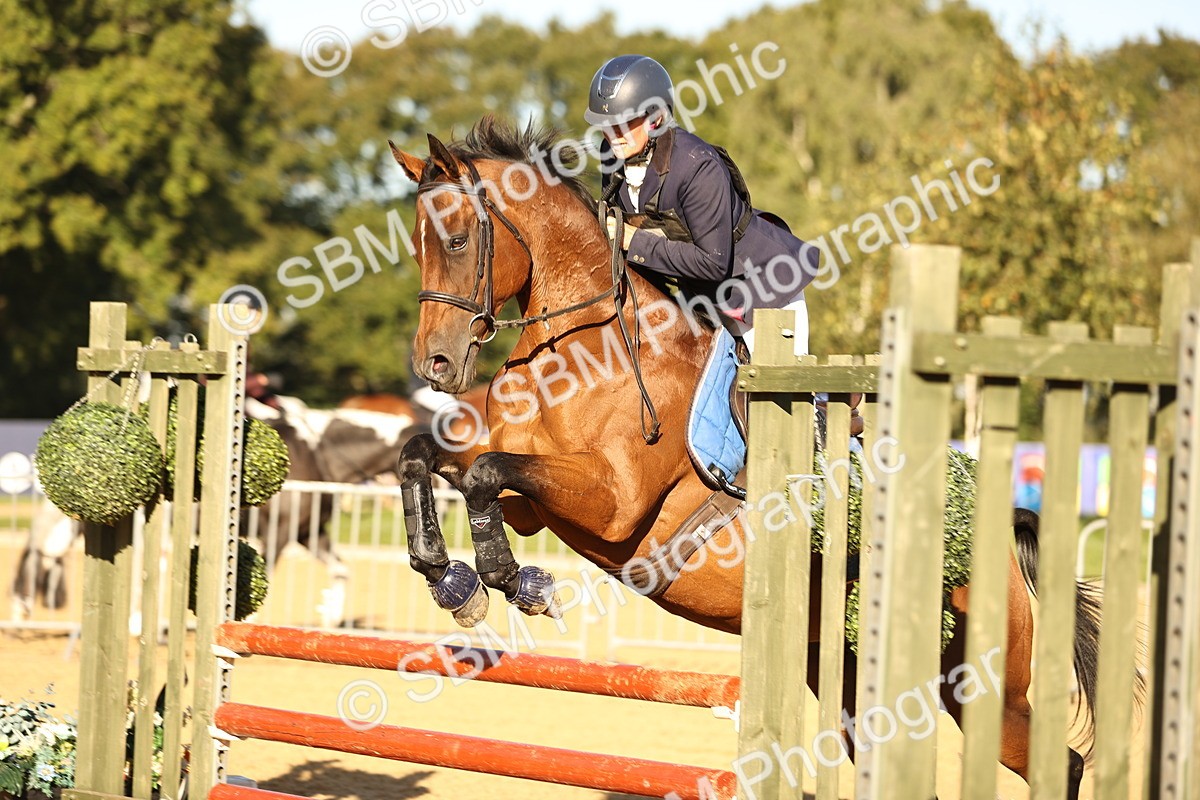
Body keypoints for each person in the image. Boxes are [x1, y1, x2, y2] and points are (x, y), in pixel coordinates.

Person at [585, 54, 821, 357]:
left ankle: (817, 406)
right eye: (606, 124)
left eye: (624, 122)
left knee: (775, 402)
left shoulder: (697, 166)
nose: (613, 134)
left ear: (655, 118)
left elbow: (713, 262)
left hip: (761, 292)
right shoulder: (613, 155)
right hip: (697, 298)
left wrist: (632, 240)